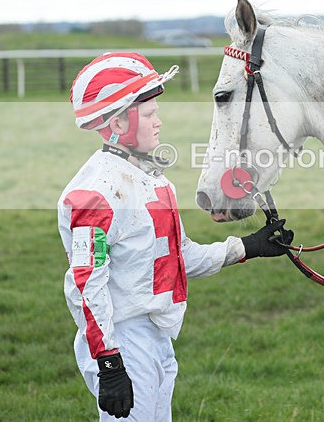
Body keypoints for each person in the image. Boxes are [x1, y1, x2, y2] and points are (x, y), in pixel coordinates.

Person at [57, 52, 291, 420]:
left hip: (157, 337)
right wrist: (108, 362)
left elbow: (180, 258)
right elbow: (86, 286)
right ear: (118, 122)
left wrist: (248, 247)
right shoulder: (95, 194)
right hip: (123, 343)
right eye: (149, 115)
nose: (158, 122)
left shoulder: (155, 181)